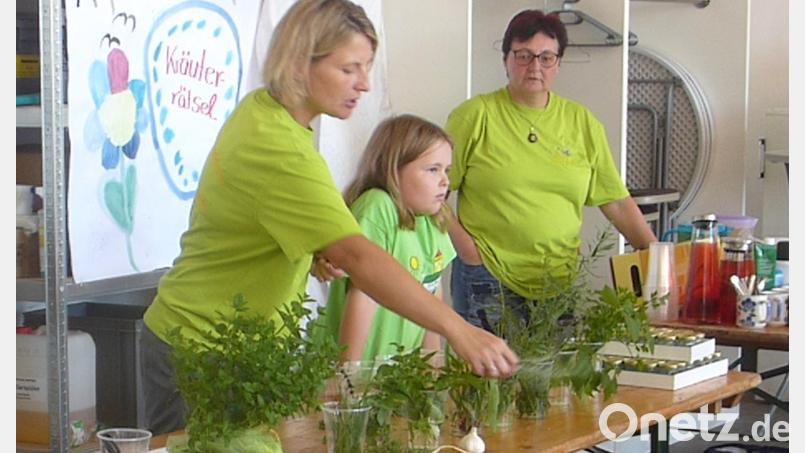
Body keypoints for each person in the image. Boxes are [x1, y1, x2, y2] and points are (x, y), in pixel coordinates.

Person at [139, 0, 518, 435]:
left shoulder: (264, 111)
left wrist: (312, 250)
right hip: (201, 347)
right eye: (348, 69)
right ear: (300, 63)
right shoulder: (281, 149)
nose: (365, 84)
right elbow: (358, 256)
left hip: (234, 349)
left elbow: (257, 216)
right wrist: (458, 330)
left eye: (367, 68)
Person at [445, 9, 657, 330]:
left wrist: (657, 257)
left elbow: (615, 200)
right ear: (506, 59)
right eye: (524, 55)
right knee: (487, 365)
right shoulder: (474, 116)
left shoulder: (582, 122)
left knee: (553, 365)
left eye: (546, 58)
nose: (535, 67)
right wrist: (466, 248)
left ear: (558, 64)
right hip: (487, 276)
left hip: (558, 281)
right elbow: (431, 192)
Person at [318, 114, 455, 363]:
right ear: (393, 169)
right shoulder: (377, 206)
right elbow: (363, 293)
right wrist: (348, 372)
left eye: (447, 170)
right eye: (433, 170)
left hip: (398, 373)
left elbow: (433, 296)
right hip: (360, 365)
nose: (445, 181)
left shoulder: (435, 218)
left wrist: (434, 367)